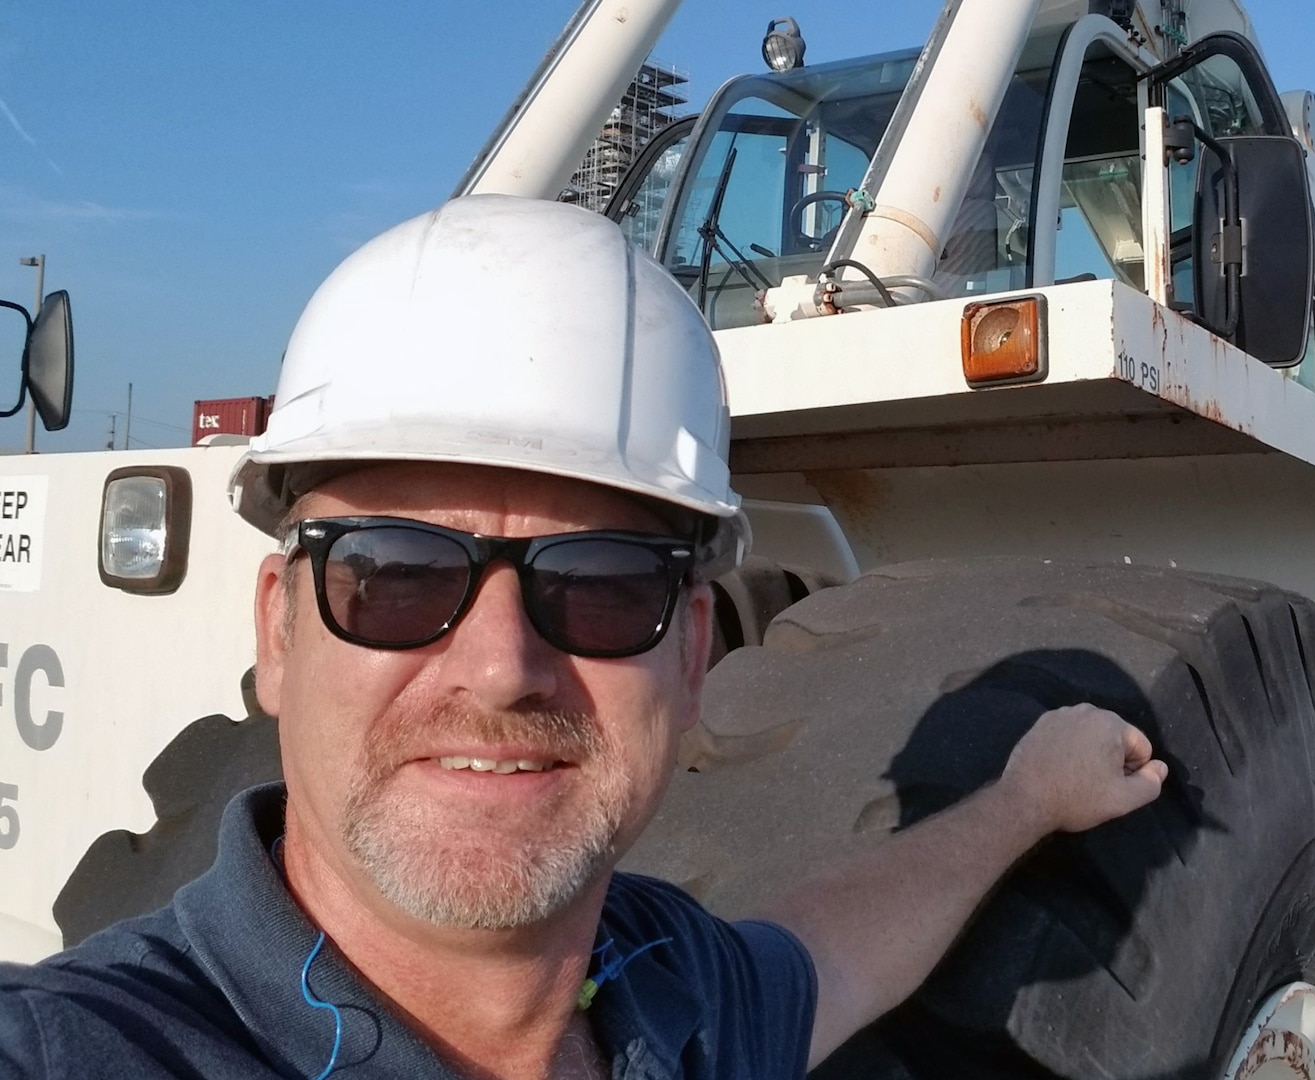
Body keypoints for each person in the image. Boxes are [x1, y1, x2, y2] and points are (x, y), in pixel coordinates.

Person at [0, 195, 1166, 1080]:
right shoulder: (84, 1046)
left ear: (694, 651)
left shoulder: (668, 995)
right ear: (279, 631)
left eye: (603, 586)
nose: (503, 666)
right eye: (394, 577)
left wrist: (1024, 801)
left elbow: (822, 957)